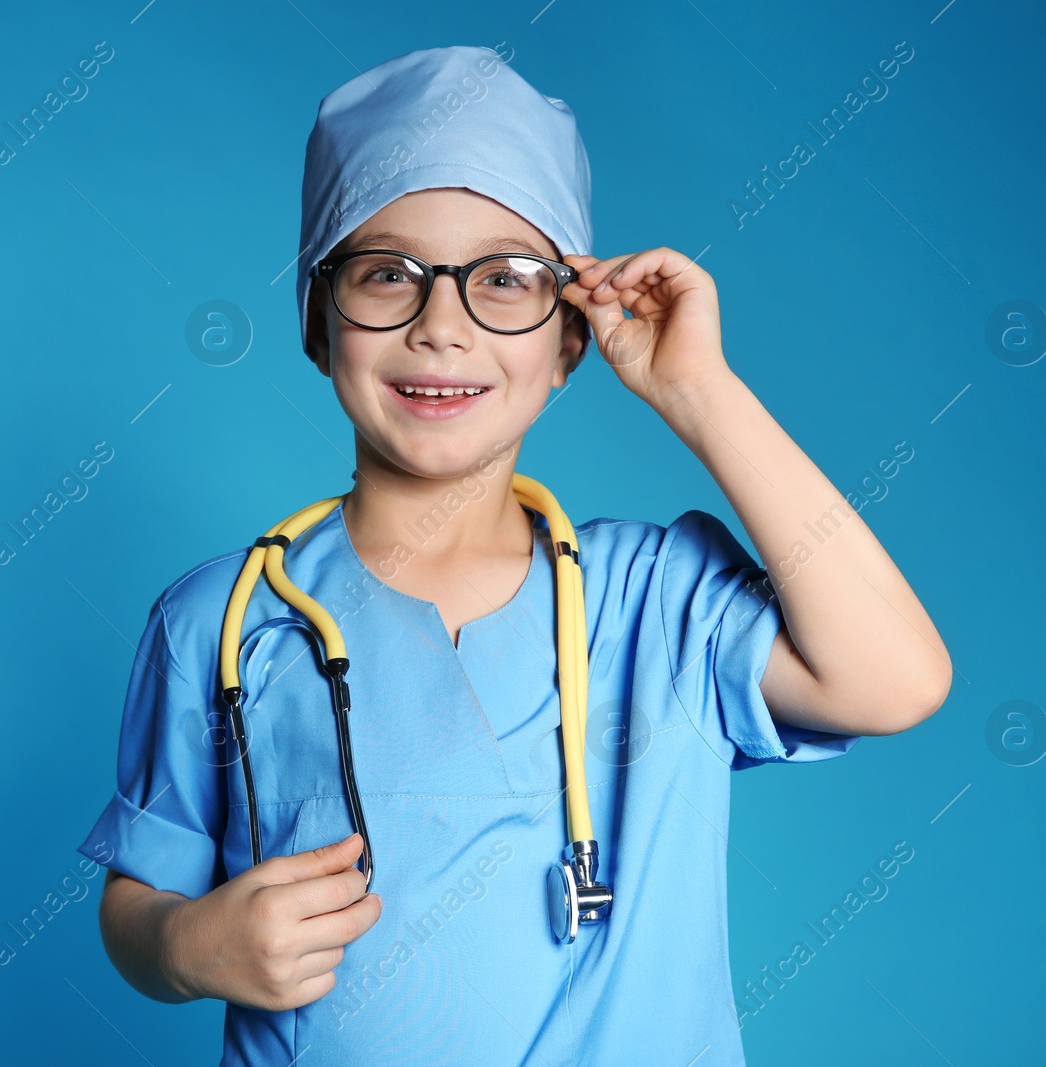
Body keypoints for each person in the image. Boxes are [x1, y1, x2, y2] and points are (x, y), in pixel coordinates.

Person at [80, 44, 950, 1065]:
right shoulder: (224, 620)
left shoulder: (656, 601)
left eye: (503, 279)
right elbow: (138, 899)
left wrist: (699, 393)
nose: (440, 326)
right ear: (319, 324)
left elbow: (895, 679)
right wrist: (186, 945)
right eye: (385, 275)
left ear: (570, 338)